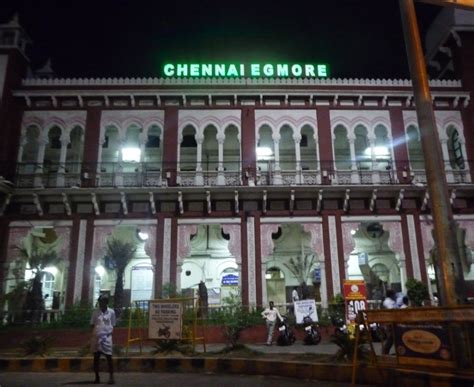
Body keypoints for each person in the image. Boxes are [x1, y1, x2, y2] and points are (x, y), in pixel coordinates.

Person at [90, 295, 116, 384]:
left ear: (106, 302)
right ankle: (97, 377)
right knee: (96, 358)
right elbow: (92, 324)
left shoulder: (111, 312)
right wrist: (96, 334)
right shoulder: (95, 312)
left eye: (102, 301)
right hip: (97, 338)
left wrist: (107, 333)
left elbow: (113, 324)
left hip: (107, 338)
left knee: (109, 357)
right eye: (99, 301)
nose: (100, 303)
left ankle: (111, 377)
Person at [382, 289, 397, 355]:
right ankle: (385, 351)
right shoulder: (388, 302)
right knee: (391, 337)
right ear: (391, 295)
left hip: (391, 322)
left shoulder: (389, 301)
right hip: (390, 322)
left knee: (393, 337)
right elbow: (391, 310)